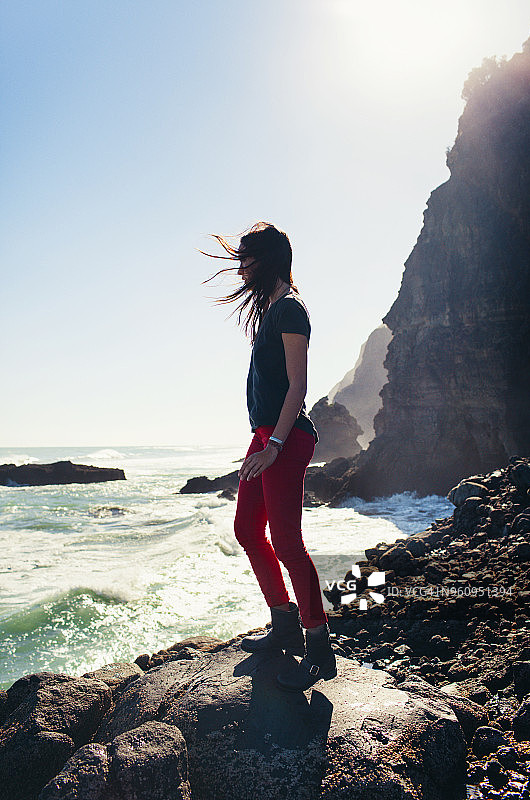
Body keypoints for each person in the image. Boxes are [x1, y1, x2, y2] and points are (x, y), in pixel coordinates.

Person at [201, 221, 336, 691]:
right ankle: (284, 623)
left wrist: (274, 445)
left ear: (268, 260)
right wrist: (263, 442)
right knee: (246, 529)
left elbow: (298, 387)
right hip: (265, 436)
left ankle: (319, 647)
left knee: (287, 542)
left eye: (247, 260)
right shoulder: (271, 311)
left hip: (286, 437)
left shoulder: (291, 309)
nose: (241, 269)